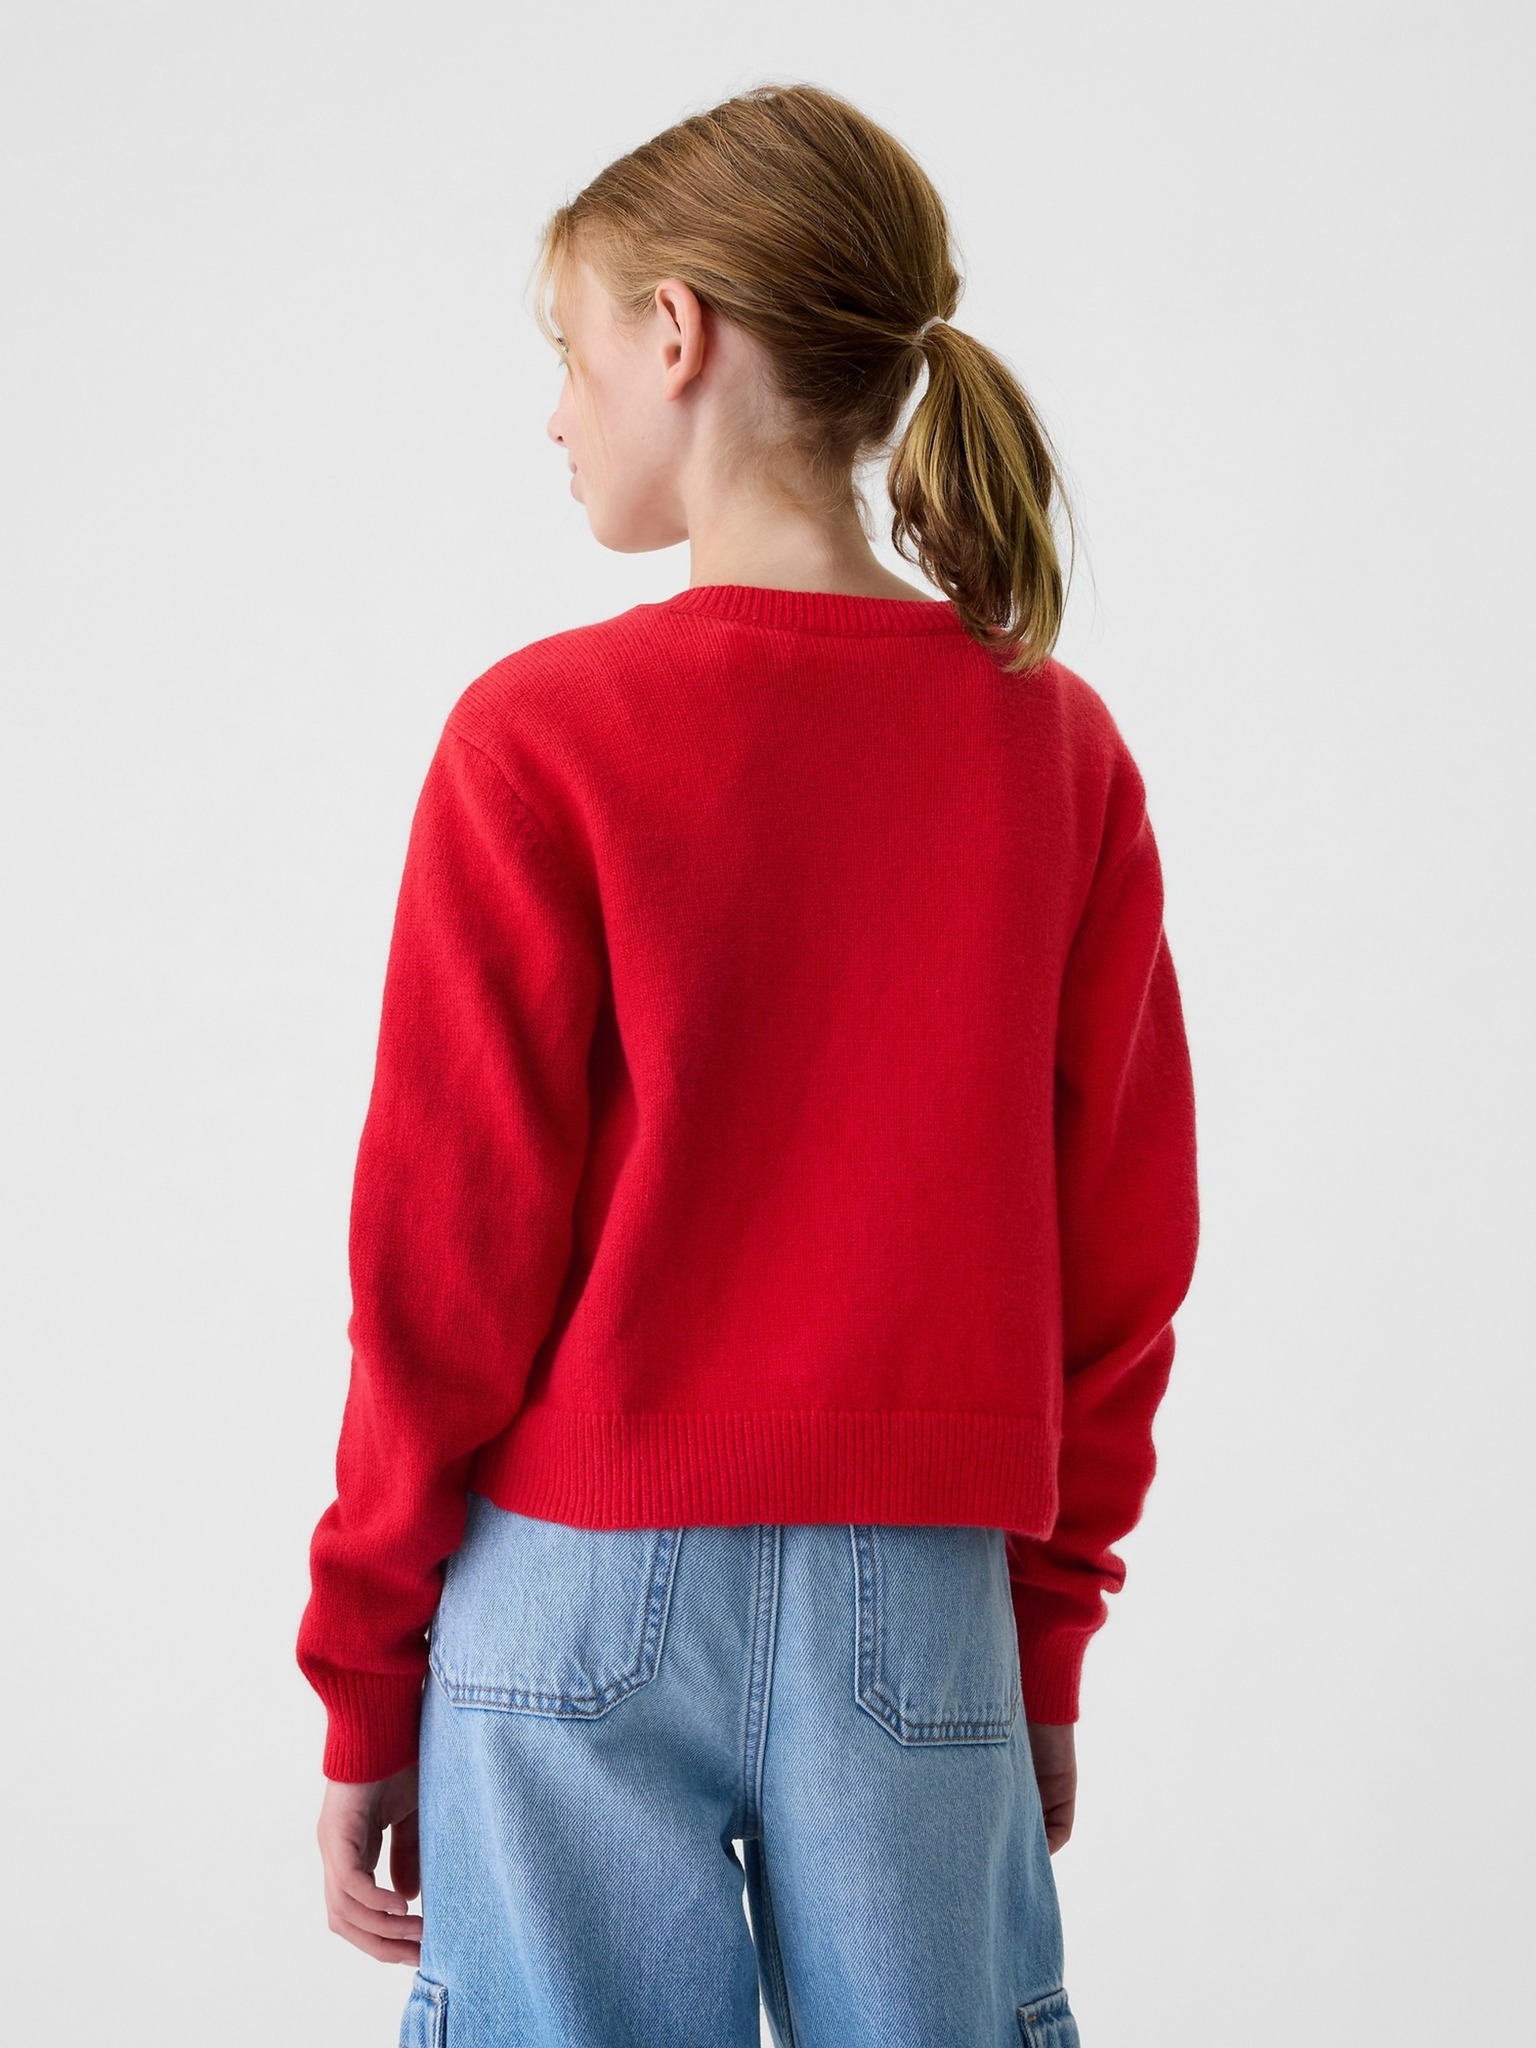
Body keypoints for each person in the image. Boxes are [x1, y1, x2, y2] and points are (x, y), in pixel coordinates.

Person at [297, 80, 1200, 2048]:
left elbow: (442, 1263)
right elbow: (1124, 1262)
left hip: (569, 1579)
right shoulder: (1054, 750)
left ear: (676, 331)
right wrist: (1040, 1635)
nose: (556, 415)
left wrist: (367, 1671)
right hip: (925, 1596)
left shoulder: (541, 738)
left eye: (568, 352)